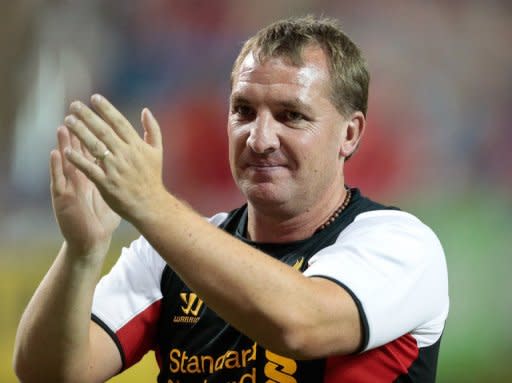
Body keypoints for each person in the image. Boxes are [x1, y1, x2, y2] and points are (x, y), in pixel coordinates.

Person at [13, 16, 449, 383]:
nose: (259, 139)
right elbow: (47, 374)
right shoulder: (166, 255)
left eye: (291, 115)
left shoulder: (401, 245)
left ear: (349, 134)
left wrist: (150, 202)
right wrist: (81, 252)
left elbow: (300, 325)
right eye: (243, 111)